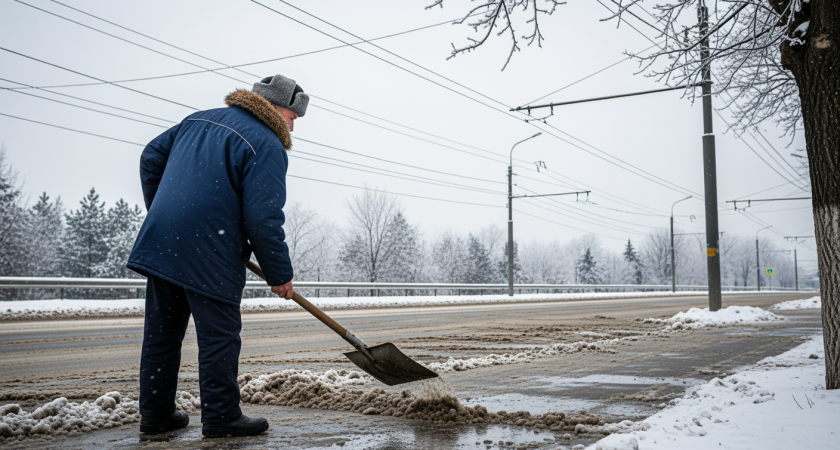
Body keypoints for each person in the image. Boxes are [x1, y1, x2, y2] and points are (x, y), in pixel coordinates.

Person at [127, 74, 308, 437]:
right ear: (275, 106)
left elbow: (150, 158)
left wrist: (165, 211)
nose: (293, 126)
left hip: (164, 240)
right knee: (219, 336)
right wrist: (279, 273)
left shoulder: (197, 120)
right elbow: (263, 217)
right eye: (293, 117)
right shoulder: (267, 144)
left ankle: (156, 416)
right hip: (211, 251)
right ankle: (222, 417)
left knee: (162, 335)